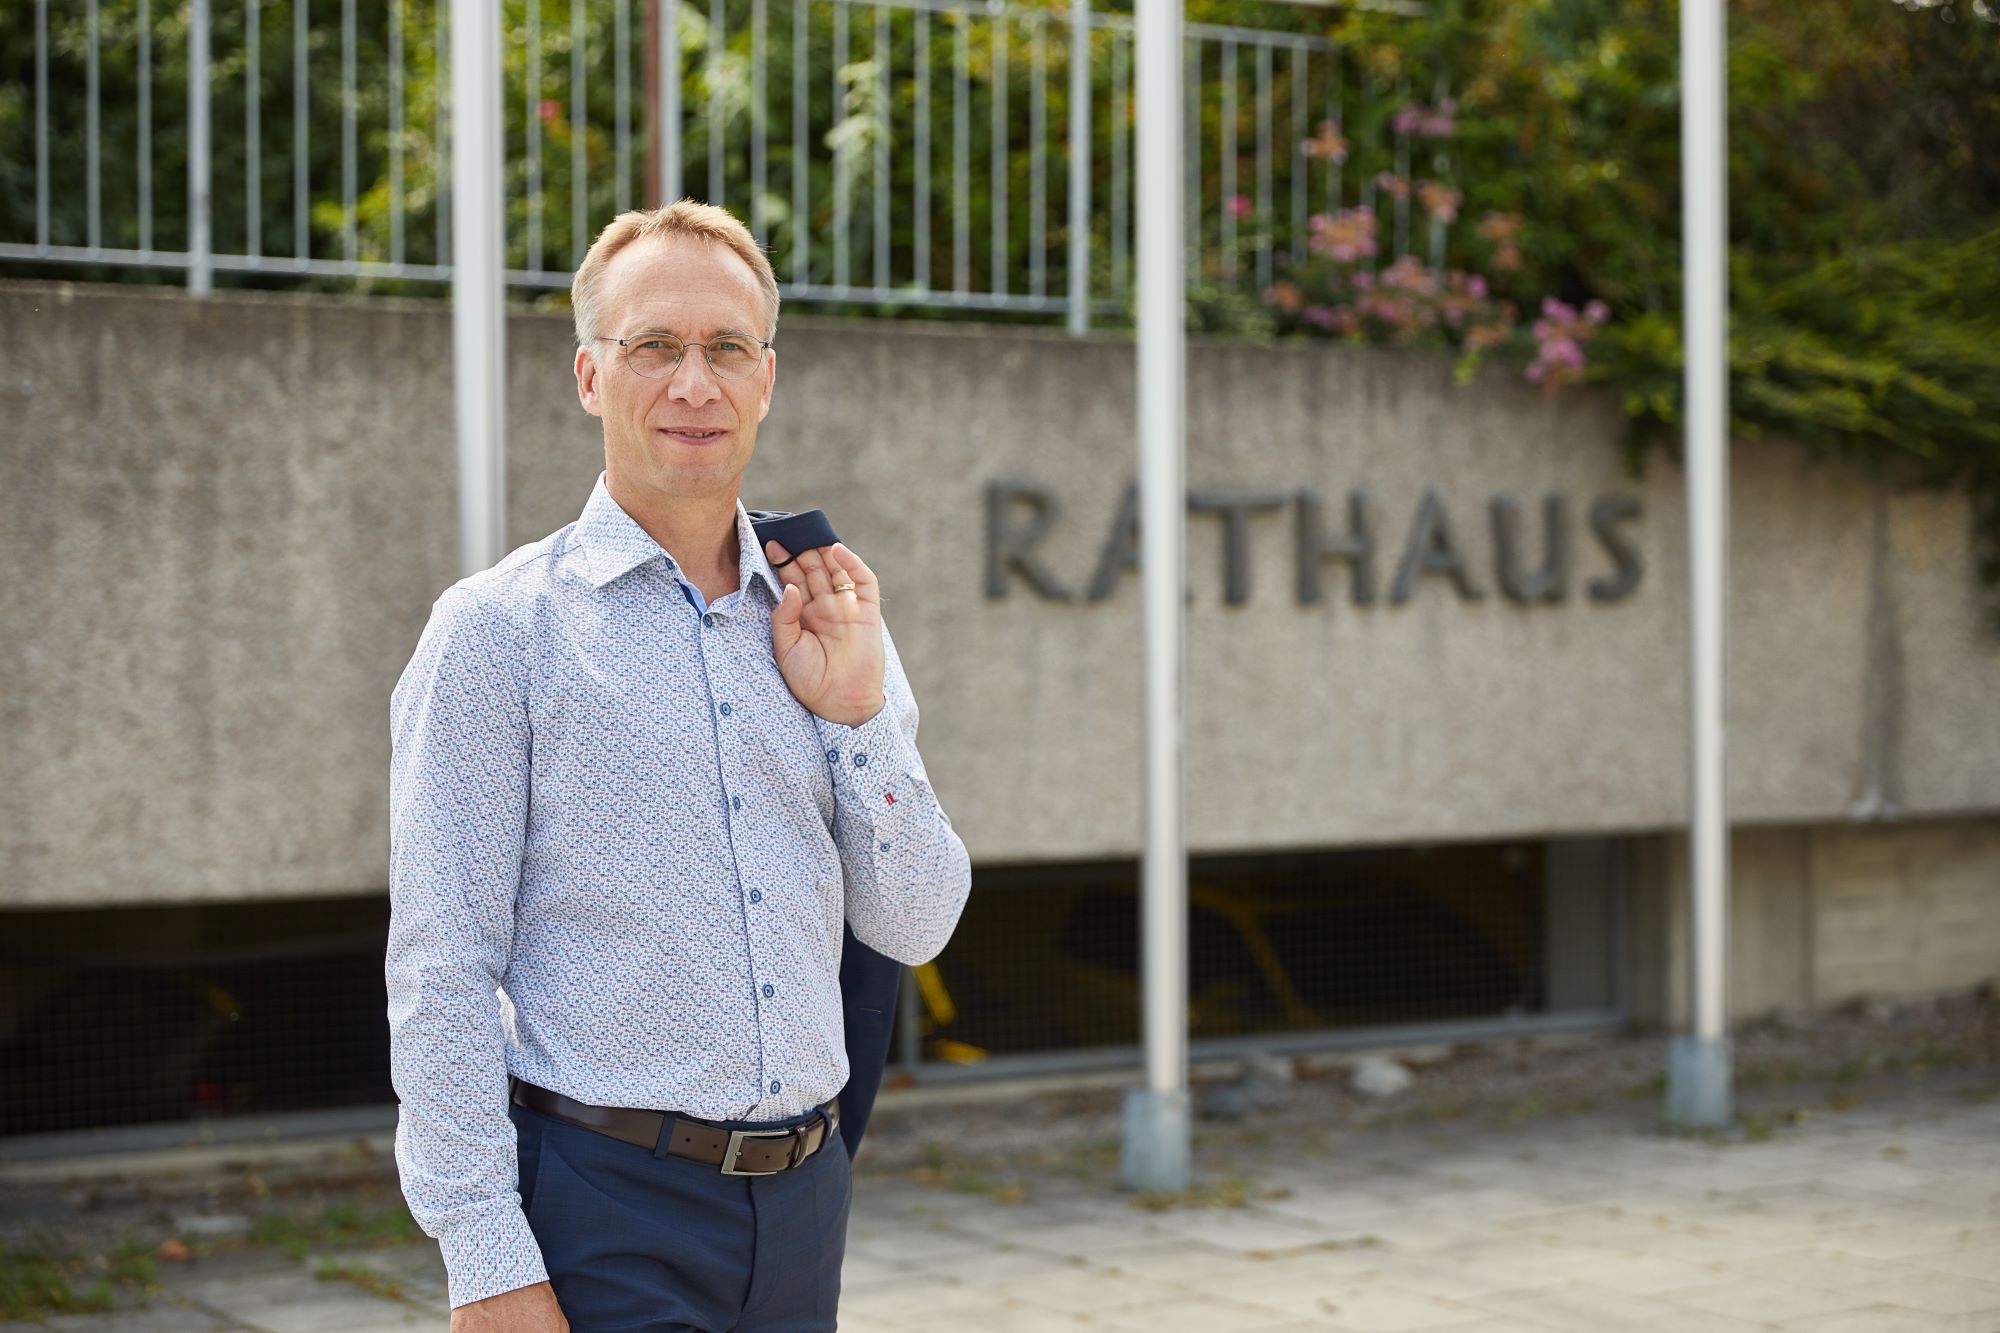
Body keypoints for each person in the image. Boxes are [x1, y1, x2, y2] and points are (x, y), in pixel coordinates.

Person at [386, 200, 972, 1333]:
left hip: (804, 1203)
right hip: (606, 1207)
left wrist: (854, 715)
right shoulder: (498, 633)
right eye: (653, 347)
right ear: (590, 376)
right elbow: (441, 964)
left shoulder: (831, 614)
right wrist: (486, 1260)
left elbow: (917, 923)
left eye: (725, 349)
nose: (692, 384)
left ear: (766, 376)